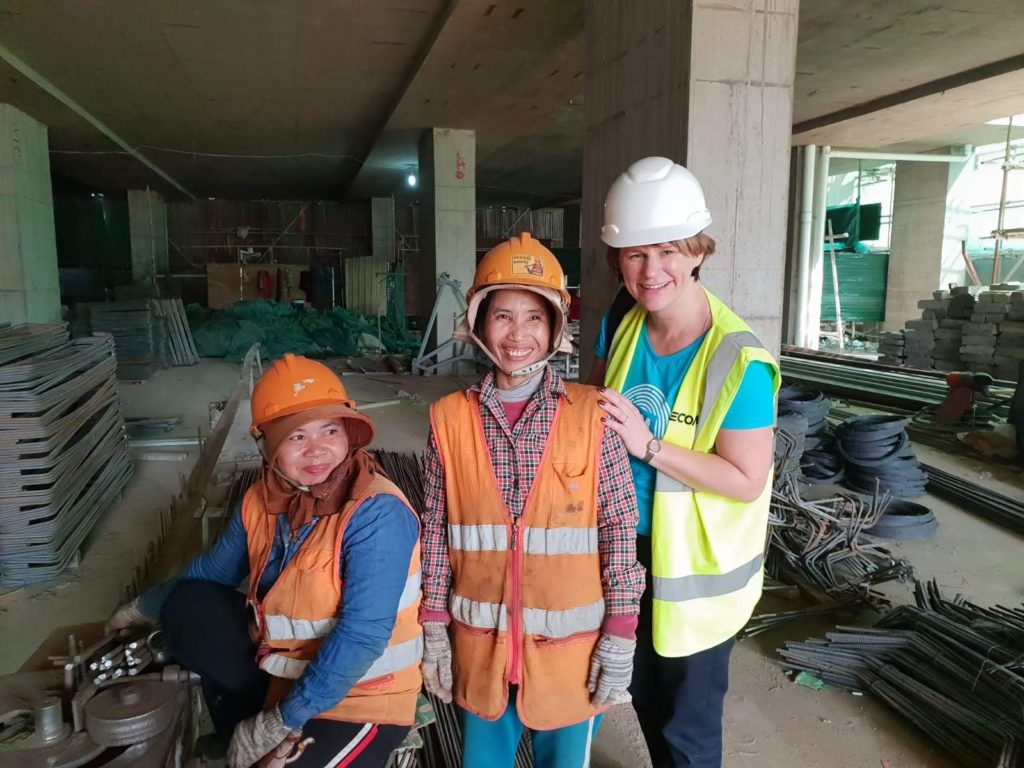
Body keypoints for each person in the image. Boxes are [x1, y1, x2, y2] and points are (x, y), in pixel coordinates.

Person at [107, 354, 422, 768]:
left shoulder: (376, 513)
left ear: (349, 433)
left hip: (363, 695)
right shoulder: (263, 498)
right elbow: (211, 575)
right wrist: (145, 605)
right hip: (284, 674)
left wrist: (279, 722)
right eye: (295, 437)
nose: (317, 451)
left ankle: (266, 734)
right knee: (189, 602)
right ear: (267, 446)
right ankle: (246, 729)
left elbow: (361, 635)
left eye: (329, 430)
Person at [419, 233, 645, 767]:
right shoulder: (448, 418)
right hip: (479, 649)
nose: (517, 334)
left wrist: (621, 631)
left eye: (534, 317)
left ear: (556, 328)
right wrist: (432, 624)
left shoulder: (594, 415)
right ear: (478, 323)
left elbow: (617, 524)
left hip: (570, 660)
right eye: (502, 316)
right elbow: (434, 527)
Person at [589, 157, 780, 768]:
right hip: (622, 546)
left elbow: (747, 481)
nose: (651, 270)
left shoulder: (739, 361)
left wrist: (649, 446)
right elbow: (594, 407)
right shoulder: (621, 320)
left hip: (694, 572)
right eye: (635, 254)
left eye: (667, 250)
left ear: (698, 251)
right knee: (642, 692)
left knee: (686, 726)